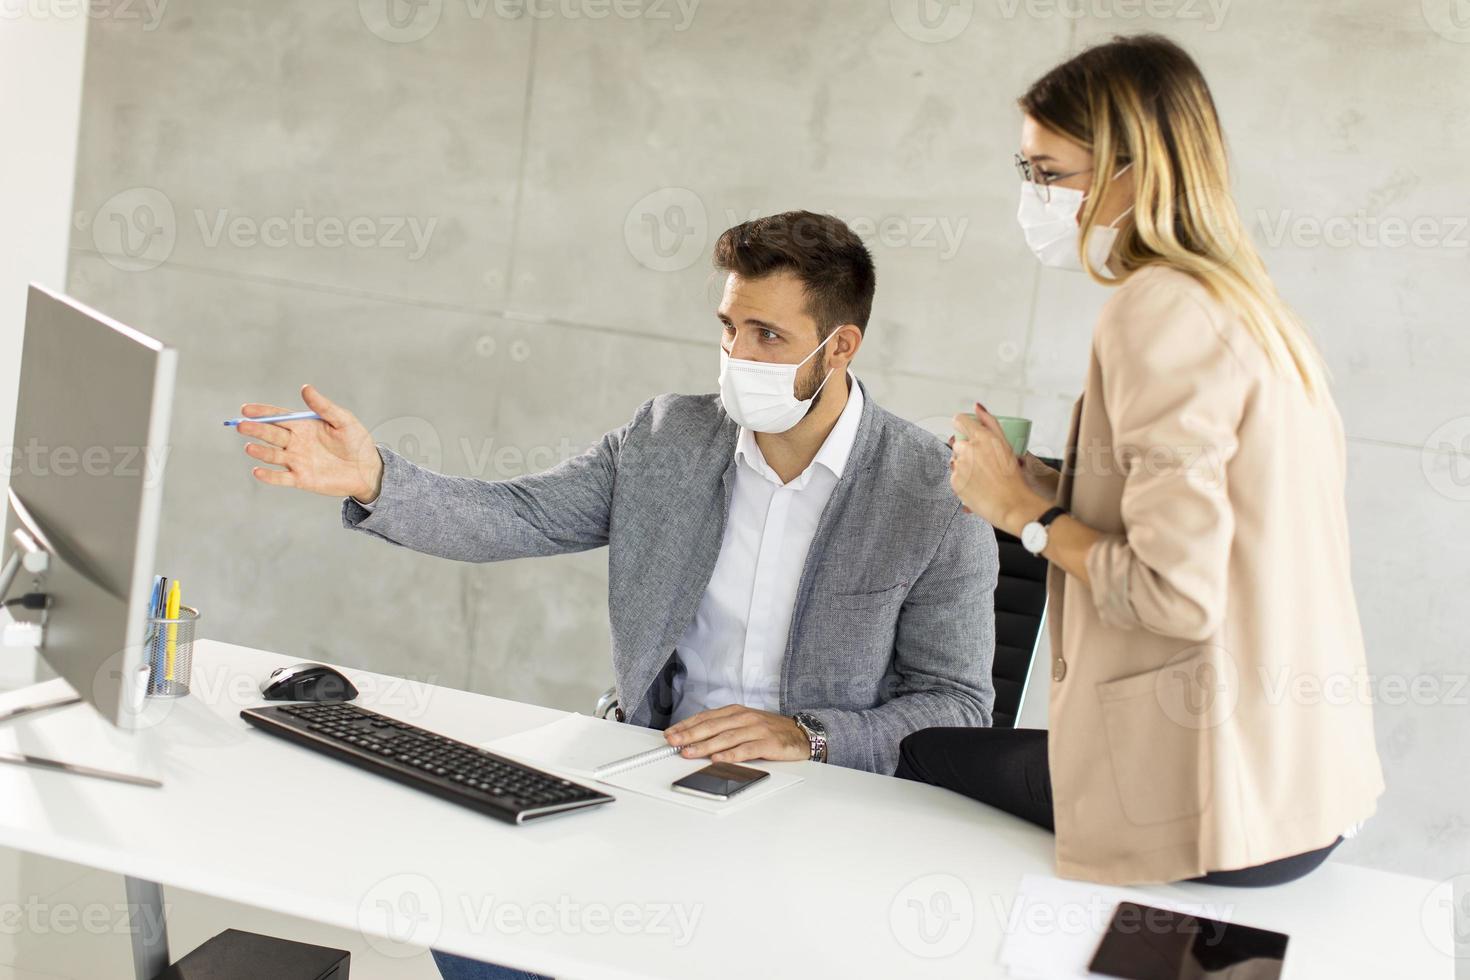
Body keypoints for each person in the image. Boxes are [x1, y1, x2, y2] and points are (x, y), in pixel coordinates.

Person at [235, 211, 998, 979]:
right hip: (658, 761)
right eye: (729, 327)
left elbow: (957, 704)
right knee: (462, 897)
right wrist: (377, 480)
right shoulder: (668, 436)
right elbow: (519, 515)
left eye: (769, 336)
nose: (737, 355)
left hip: (824, 801)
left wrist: (810, 735)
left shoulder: (934, 492)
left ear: (841, 347)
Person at [897, 34, 1384, 887]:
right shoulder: (1250, 309)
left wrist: (1029, 518)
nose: (1034, 197)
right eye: (1025, 172)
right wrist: (1049, 485)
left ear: (1133, 168)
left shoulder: (1157, 310)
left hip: (1218, 802)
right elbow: (1216, 527)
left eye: (1049, 174)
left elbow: (1175, 591)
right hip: (1299, 784)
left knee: (913, 757)